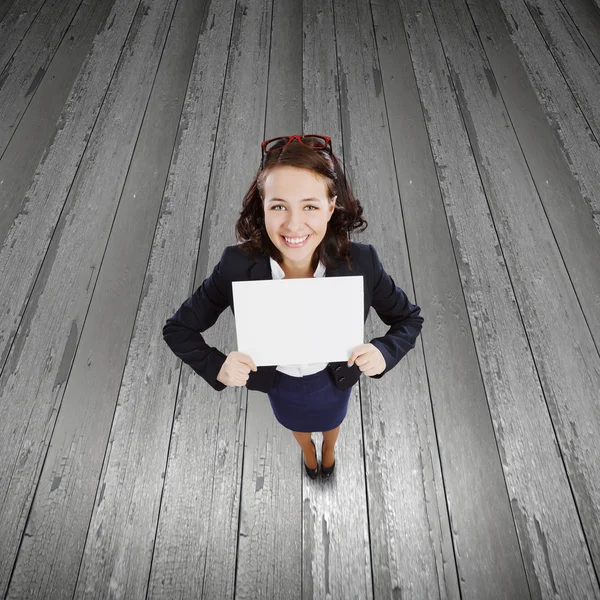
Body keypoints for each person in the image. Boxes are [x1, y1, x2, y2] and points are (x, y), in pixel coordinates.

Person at [162, 134, 424, 480]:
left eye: (310, 206)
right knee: (298, 428)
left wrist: (384, 352)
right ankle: (308, 454)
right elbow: (178, 329)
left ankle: (329, 451)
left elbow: (408, 318)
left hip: (333, 381)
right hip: (280, 385)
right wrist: (217, 366)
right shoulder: (236, 266)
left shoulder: (362, 262)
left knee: (333, 424)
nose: (294, 225)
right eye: (279, 206)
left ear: (331, 207)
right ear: (263, 205)